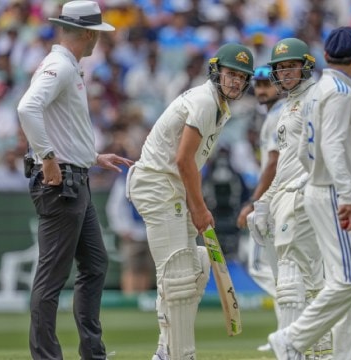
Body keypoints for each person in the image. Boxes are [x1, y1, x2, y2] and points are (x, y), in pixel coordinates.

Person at [16, 2, 134, 359]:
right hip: (61, 183)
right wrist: (49, 158)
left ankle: (92, 353)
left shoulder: (67, 66)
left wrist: (92, 157)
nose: (98, 39)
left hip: (74, 177)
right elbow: (27, 108)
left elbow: (57, 122)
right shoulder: (60, 66)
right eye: (96, 32)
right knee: (52, 278)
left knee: (95, 264)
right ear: (86, 33)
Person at [126, 43, 254, 360]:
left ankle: (165, 351)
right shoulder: (204, 101)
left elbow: (189, 163)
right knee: (179, 275)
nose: (236, 82)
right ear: (217, 72)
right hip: (159, 183)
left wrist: (194, 203)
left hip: (172, 186)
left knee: (194, 268)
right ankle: (181, 355)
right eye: (231, 74)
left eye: (242, 77)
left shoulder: (219, 106)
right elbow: (184, 160)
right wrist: (199, 207)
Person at [268, 26, 351, 360]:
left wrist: (313, 179)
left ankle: (343, 354)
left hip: (319, 187)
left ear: (325, 57)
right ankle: (292, 339)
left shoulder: (316, 91)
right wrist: (343, 194)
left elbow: (301, 149)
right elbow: (332, 146)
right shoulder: (339, 90)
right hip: (331, 190)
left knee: (348, 281)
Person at [251, 38, 330, 359]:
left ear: (305, 66)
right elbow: (283, 164)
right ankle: (320, 350)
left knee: (289, 274)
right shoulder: (289, 107)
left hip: (302, 197)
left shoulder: (314, 99)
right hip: (287, 196)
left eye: (290, 67)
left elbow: (323, 153)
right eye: (279, 68)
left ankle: (292, 350)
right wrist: (264, 203)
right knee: (312, 281)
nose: (283, 73)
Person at [235, 65, 284, 352]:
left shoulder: (278, 116)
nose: (262, 90)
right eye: (259, 85)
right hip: (278, 199)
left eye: (268, 84)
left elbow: (274, 164)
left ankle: (292, 330)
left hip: (275, 202)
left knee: (260, 265)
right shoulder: (275, 116)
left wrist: (254, 201)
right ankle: (288, 332)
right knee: (282, 272)